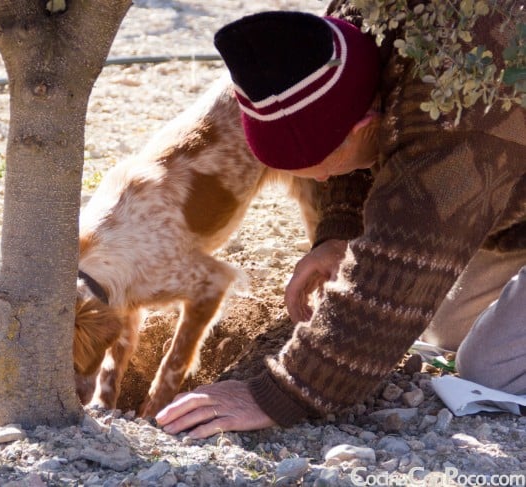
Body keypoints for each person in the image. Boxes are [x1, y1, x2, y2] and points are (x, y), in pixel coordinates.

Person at [155, 6, 526, 439]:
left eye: (322, 169)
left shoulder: (453, 119)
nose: (324, 180)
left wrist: (283, 391)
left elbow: (398, 272)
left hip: (488, 143)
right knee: (449, 328)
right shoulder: (352, 28)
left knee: (491, 366)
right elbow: (357, 162)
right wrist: (337, 233)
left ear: (366, 125)